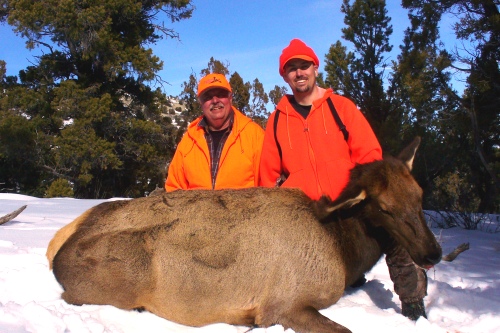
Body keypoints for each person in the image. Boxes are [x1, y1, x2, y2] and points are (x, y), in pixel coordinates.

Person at [259, 38, 428, 320]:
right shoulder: (277, 120)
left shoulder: (341, 107)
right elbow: (267, 174)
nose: (299, 73)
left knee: (393, 229)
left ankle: (412, 299)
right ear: (285, 76)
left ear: (315, 68)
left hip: (351, 206)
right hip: (312, 216)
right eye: (292, 69)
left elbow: (372, 156)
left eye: (304, 66)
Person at [165, 73, 264, 191]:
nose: (215, 100)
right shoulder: (188, 142)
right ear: (201, 103)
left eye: (221, 95)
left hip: (244, 209)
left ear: (230, 98)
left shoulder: (255, 136)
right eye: (208, 97)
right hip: (198, 209)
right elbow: (174, 189)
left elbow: (267, 186)